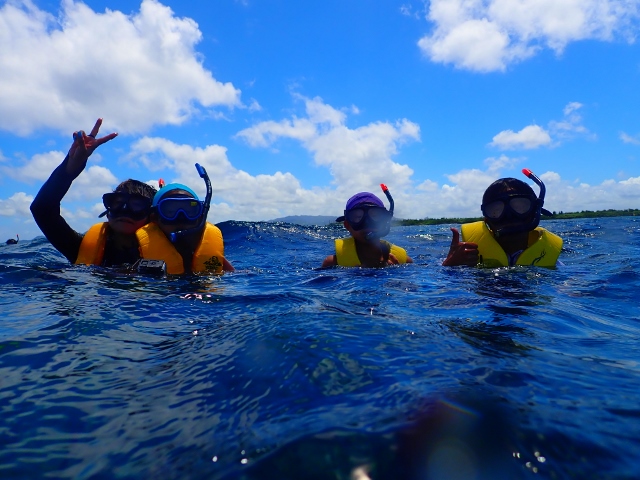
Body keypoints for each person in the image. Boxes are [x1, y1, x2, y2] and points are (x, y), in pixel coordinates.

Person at [30, 119, 157, 267]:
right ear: (107, 211)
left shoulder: (169, 252)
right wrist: (71, 167)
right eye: (116, 202)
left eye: (136, 204)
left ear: (151, 215)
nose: (124, 210)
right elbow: (42, 209)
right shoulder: (80, 248)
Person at [443, 168, 562, 268]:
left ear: (534, 212)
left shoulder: (551, 260)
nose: (509, 216)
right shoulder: (466, 258)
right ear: (486, 219)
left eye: (519, 207)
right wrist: (451, 264)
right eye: (496, 210)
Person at [136, 163, 235, 275]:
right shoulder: (140, 253)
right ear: (154, 218)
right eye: (170, 211)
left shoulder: (210, 255)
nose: (181, 218)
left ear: (200, 216)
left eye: (189, 210)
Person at [322, 185, 413, 268]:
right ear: (347, 225)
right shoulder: (332, 263)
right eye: (358, 217)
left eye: (375, 216)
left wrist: (396, 273)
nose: (367, 223)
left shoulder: (404, 261)